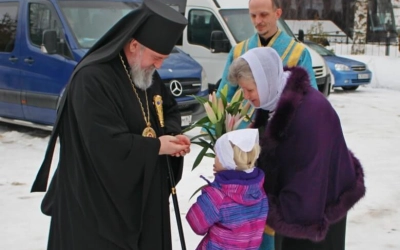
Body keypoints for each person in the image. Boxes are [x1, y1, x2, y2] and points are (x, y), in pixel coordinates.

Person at [30, 1, 191, 249]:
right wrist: (156, 147)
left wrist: (172, 135)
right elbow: (103, 143)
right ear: (134, 45)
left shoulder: (145, 73)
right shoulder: (92, 79)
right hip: (96, 205)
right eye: (157, 58)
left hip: (141, 197)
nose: (159, 66)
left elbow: (167, 108)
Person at [227, 47, 366, 250]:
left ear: (266, 82)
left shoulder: (309, 113)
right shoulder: (274, 102)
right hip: (296, 206)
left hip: (317, 212)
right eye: (243, 90)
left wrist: (264, 200)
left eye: (249, 90)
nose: (246, 96)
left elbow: (309, 179)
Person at [217, 0, 318, 128]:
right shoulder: (239, 51)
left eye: (263, 15)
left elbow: (310, 99)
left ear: (278, 13)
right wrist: (215, 130)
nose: (257, 21)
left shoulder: (297, 52)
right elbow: (224, 95)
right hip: (242, 133)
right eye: (253, 15)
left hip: (281, 132)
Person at [186, 128, 268, 250]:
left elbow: (196, 223)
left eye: (218, 155)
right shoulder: (259, 192)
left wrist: (208, 195)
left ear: (227, 160)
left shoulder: (218, 196)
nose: (215, 159)